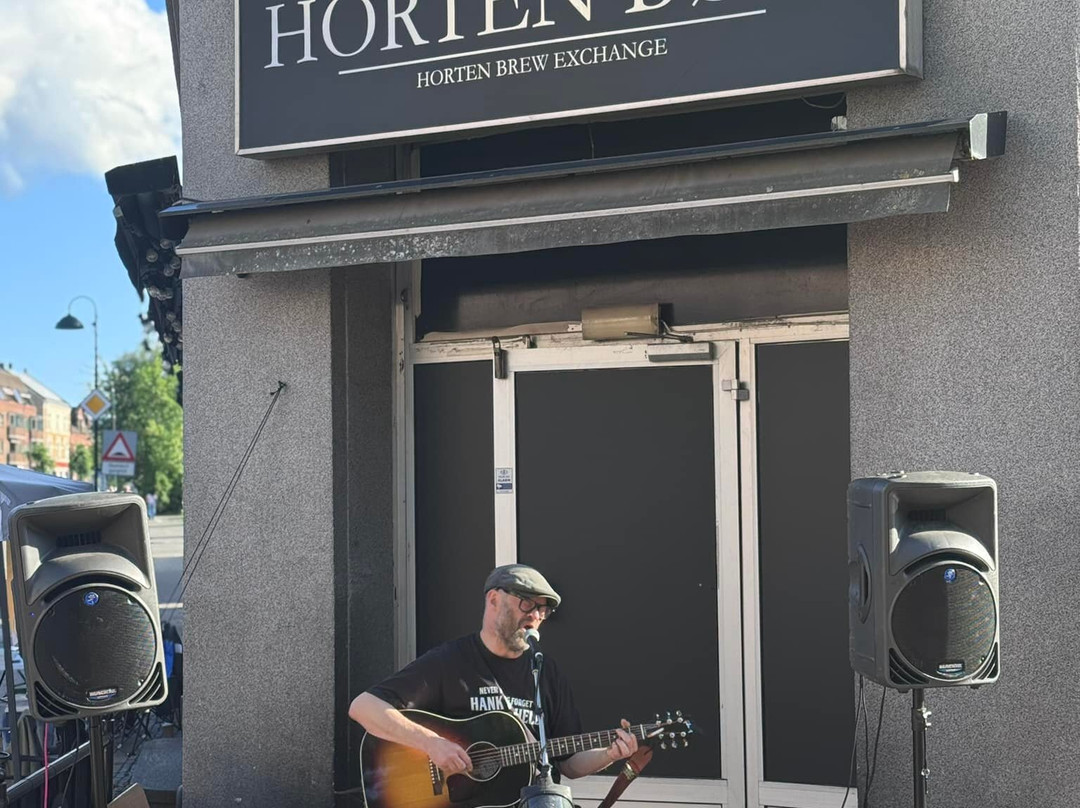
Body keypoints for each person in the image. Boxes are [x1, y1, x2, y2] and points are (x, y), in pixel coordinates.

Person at [349, 563, 638, 779]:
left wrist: (609, 754)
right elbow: (363, 707)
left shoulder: (545, 672)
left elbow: (569, 764)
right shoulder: (450, 661)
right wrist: (432, 744)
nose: (535, 615)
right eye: (527, 602)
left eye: (543, 609)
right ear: (494, 600)